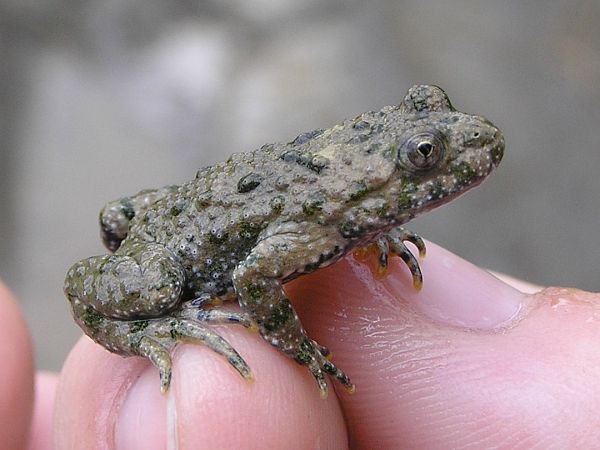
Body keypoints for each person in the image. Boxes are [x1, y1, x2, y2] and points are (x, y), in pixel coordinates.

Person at [4, 241, 600, 449]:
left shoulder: (343, 211)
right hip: (178, 247)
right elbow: (256, 276)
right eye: (423, 160)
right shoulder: (321, 216)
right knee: (155, 289)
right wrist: (301, 348)